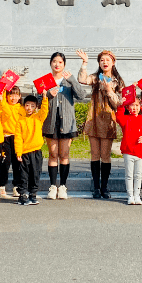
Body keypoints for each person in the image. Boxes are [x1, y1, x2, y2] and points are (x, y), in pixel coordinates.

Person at [77, 50, 125, 199]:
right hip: (94, 119)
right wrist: (84, 63)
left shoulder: (118, 82)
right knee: (95, 154)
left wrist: (110, 91)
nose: (105, 62)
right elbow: (82, 79)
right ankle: (96, 187)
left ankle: (105, 187)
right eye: (102, 60)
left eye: (107, 60)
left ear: (113, 62)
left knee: (105, 155)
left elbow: (119, 104)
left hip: (108, 120)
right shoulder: (95, 78)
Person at [41, 51, 86, 200]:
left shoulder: (68, 80)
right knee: (53, 154)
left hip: (67, 122)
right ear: (50, 63)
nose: (57, 64)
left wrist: (73, 79)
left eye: (60, 62)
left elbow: (81, 95)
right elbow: (37, 99)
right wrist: (47, 95)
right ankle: (53, 186)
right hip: (51, 122)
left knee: (64, 154)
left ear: (64, 64)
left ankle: (63, 186)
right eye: (54, 61)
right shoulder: (46, 81)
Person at [13, 95, 49, 205]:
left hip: (36, 151)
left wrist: (44, 99)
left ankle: (33, 194)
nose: (29, 108)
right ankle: (22, 195)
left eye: (32, 106)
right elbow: (18, 138)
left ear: (36, 107)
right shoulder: (20, 121)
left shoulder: (38, 117)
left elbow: (44, 111)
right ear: (23, 106)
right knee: (23, 175)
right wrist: (18, 152)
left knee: (35, 173)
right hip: (24, 152)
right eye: (27, 105)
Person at [117, 97, 142, 205]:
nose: (134, 108)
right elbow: (118, 117)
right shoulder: (126, 119)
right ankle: (130, 195)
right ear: (128, 107)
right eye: (132, 105)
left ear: (140, 107)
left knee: (138, 175)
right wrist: (120, 106)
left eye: (137, 105)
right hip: (128, 151)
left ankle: (137, 195)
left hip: (140, 151)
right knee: (129, 174)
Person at [0, 86, 25, 198]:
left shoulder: (22, 108)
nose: (13, 98)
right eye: (11, 95)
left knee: (18, 163)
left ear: (19, 96)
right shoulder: (3, 106)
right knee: (5, 162)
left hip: (18, 138)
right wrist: (4, 86)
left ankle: (17, 186)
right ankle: (1, 186)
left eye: (16, 95)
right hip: (5, 137)